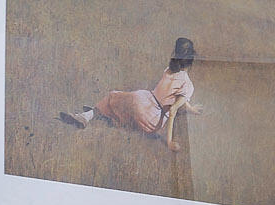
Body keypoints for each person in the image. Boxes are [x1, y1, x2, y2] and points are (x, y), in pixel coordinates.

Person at [62, 38, 199, 148]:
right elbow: (175, 107)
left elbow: (177, 101)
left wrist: (191, 108)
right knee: (123, 111)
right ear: (191, 62)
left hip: (142, 100)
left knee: (113, 96)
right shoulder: (187, 85)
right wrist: (169, 142)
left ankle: (87, 115)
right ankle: (98, 114)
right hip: (152, 121)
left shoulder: (169, 69)